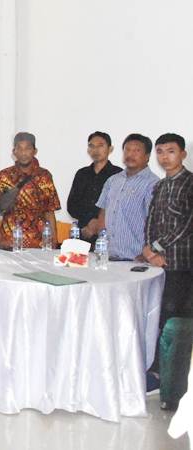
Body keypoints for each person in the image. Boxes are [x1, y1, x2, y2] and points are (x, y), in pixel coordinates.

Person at [144, 133, 193, 399]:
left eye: (171, 151)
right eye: (160, 152)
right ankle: (157, 373)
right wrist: (148, 248)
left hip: (181, 264)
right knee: (158, 317)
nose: (165, 157)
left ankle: (172, 380)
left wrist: (158, 247)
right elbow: (151, 218)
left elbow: (187, 224)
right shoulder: (160, 186)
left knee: (174, 320)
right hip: (157, 263)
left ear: (183, 154)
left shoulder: (190, 183)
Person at [82, 134, 158, 260]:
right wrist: (101, 246)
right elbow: (103, 213)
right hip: (108, 256)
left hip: (136, 258)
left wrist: (148, 253)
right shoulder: (113, 180)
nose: (130, 154)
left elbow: (156, 222)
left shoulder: (153, 184)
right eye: (127, 150)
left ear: (147, 156)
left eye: (136, 151)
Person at [0, 132, 61, 249]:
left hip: (39, 244)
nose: (23, 153)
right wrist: (0, 239)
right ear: (14, 152)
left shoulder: (44, 176)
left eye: (28, 148)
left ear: (35, 151)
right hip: (10, 242)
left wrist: (54, 242)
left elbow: (49, 211)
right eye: (19, 148)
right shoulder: (4, 176)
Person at [67, 131, 123, 244]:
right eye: (92, 146)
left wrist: (99, 223)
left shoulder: (119, 174)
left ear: (110, 149)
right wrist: (90, 221)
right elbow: (71, 205)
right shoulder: (81, 174)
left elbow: (119, 206)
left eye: (101, 145)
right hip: (83, 232)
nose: (96, 150)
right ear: (88, 150)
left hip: (109, 235)